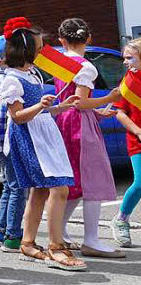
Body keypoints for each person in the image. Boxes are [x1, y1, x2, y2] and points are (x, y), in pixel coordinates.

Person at [0, 19, 84, 271]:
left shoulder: (31, 74)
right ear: (26, 49)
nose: (42, 49)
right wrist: (41, 105)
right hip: (30, 137)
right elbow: (17, 116)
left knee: (41, 190)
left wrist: (60, 106)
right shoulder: (12, 79)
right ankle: (56, 246)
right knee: (59, 188)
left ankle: (27, 242)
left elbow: (42, 111)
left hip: (43, 133)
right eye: (38, 45)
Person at [53, 18, 123, 258]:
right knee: (94, 180)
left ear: (62, 40)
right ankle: (91, 239)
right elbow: (80, 102)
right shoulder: (86, 67)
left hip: (65, 122)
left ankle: (60, 232)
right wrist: (108, 98)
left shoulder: (60, 63)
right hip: (80, 126)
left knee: (73, 181)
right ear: (88, 39)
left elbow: (70, 101)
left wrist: (96, 112)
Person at [0, 34, 27, 252]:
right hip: (8, 141)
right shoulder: (10, 80)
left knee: (8, 187)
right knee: (17, 188)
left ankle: (0, 230)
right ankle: (12, 235)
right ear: (3, 59)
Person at [111, 38, 141, 247]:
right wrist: (138, 130)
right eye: (124, 58)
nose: (125, 62)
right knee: (140, 183)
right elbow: (120, 114)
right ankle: (121, 219)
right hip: (137, 140)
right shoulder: (128, 81)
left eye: (129, 58)